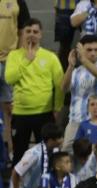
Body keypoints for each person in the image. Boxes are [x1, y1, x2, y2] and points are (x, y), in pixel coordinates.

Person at [5, 19, 64, 167]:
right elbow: (9, 79)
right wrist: (26, 61)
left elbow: (59, 85)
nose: (32, 34)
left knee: (46, 155)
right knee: (19, 154)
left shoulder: (50, 57)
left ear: (41, 34)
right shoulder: (14, 55)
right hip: (20, 114)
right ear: (22, 34)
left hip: (44, 113)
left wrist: (57, 107)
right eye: (28, 31)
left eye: (35, 32)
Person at [62, 35, 97, 151]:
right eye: (89, 50)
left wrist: (83, 60)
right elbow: (64, 88)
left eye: (96, 50)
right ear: (81, 51)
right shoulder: (75, 72)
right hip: (76, 121)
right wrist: (70, 66)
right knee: (68, 154)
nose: (93, 53)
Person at [0, 0, 30, 163]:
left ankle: (10, 153)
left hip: (9, 61)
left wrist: (17, 55)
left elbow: (23, 30)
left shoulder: (18, 1)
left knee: (10, 111)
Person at [10, 124, 64, 188]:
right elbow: (15, 172)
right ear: (50, 140)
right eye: (59, 138)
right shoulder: (34, 154)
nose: (62, 140)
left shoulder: (55, 152)